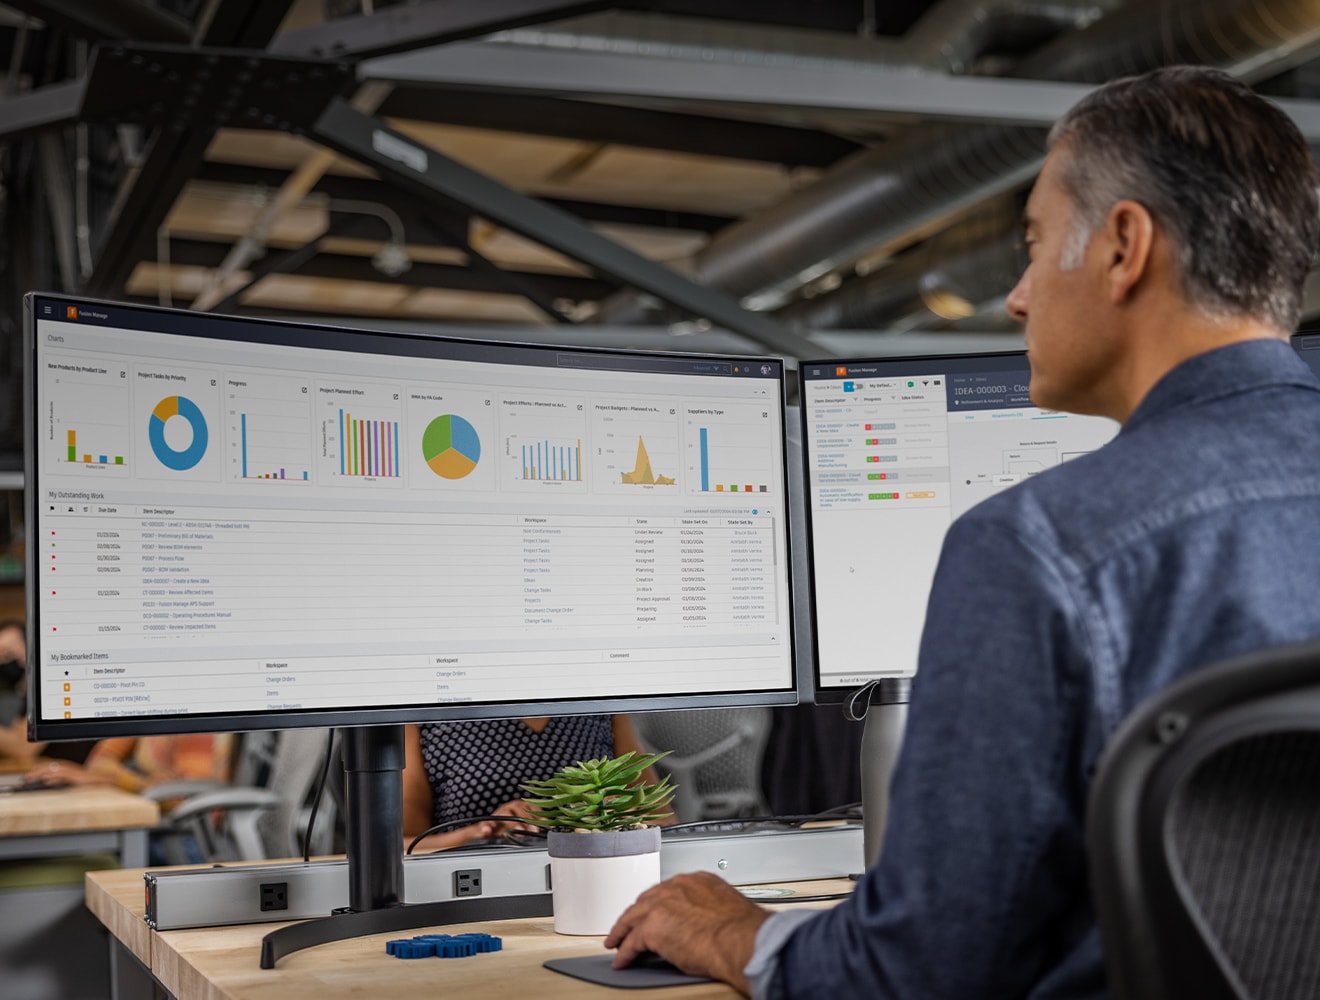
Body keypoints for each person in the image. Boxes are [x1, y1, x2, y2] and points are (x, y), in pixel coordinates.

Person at [605, 65, 1320, 997]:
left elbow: (917, 974)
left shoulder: (1038, 544)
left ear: (1123, 246)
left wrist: (733, 932)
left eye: (1033, 243)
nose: (1018, 296)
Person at [403, 714, 670, 852]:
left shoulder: (599, 707)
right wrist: (478, 834)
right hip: (480, 888)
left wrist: (605, 815)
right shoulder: (427, 718)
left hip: (593, 873)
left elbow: (665, 822)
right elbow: (404, 846)